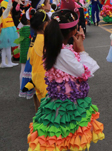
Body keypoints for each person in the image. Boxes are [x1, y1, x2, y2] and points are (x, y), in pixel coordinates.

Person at [27, 9, 104, 150]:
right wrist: (81, 50)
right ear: (73, 32)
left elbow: (70, 63)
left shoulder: (54, 48)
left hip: (57, 102)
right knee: (69, 137)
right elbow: (84, 71)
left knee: (63, 139)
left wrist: (75, 49)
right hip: (67, 106)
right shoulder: (64, 53)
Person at [0, 0, 19, 68]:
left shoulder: (8, 13)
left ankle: (8, 62)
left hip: (8, 31)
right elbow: (8, 7)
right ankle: (4, 62)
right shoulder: (5, 13)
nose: (11, 7)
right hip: (6, 32)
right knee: (6, 47)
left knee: (7, 47)